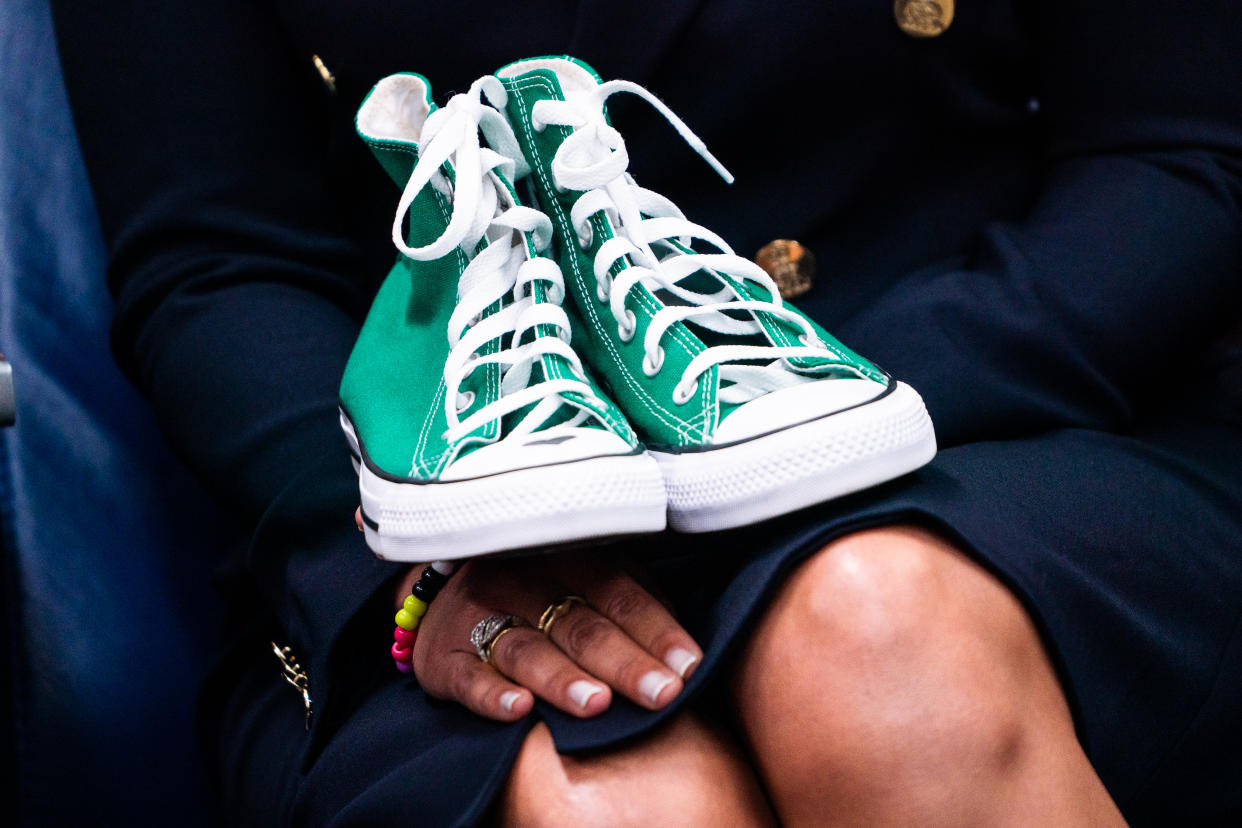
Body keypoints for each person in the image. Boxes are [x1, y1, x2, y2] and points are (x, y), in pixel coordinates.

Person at [50, 1, 1242, 825]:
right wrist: (418, 558)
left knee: (879, 644)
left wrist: (770, 417)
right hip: (452, 513)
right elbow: (217, 266)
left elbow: (1179, 147)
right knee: (610, 802)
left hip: (1006, 429)